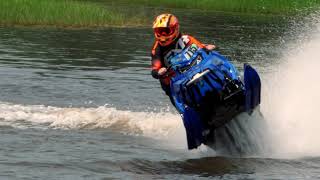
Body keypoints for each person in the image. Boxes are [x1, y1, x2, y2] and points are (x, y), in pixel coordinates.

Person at [150, 13, 215, 106]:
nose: (163, 35)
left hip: (193, 72)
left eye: (166, 31)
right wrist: (159, 72)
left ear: (175, 29)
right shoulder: (156, 50)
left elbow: (200, 47)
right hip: (173, 84)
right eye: (160, 31)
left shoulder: (187, 39)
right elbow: (154, 70)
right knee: (183, 104)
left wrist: (206, 48)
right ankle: (189, 115)